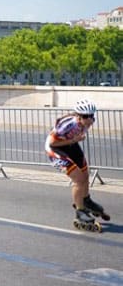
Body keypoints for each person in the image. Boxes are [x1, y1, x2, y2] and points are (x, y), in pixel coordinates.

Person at [45, 99, 107, 231]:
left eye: (92, 116)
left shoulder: (85, 121)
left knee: (85, 174)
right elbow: (52, 144)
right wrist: (74, 139)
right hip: (56, 149)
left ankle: (86, 200)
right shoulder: (68, 124)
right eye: (86, 117)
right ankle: (80, 212)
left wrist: (73, 141)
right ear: (78, 116)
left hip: (70, 144)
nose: (89, 120)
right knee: (78, 180)